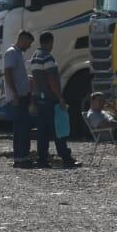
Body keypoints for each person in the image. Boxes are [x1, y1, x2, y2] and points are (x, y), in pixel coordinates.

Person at [29, 32, 80, 169]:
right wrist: (60, 97)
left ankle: (42, 159)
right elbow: (52, 81)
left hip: (40, 99)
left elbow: (34, 81)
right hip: (50, 100)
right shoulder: (47, 57)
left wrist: (34, 99)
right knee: (59, 129)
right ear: (51, 42)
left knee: (43, 132)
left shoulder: (34, 58)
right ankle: (66, 158)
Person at [1, 30, 34, 169]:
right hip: (18, 97)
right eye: (28, 43)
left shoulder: (18, 54)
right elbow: (7, 73)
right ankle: (20, 158)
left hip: (23, 95)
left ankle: (23, 156)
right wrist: (14, 93)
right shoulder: (11, 53)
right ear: (23, 40)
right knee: (21, 128)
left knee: (23, 127)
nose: (29, 47)